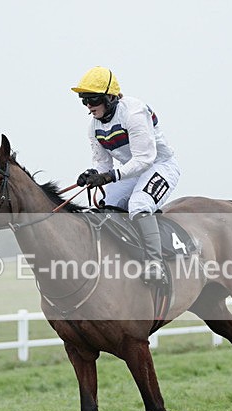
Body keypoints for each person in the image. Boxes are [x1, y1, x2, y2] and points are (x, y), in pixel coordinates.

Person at [71, 66, 180, 284]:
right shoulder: (93, 126)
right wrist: (94, 175)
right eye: (84, 101)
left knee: (139, 204)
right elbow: (103, 164)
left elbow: (144, 160)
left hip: (159, 165)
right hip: (130, 170)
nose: (88, 106)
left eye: (92, 100)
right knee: (106, 205)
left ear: (110, 97)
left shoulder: (134, 113)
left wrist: (109, 176)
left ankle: (155, 263)